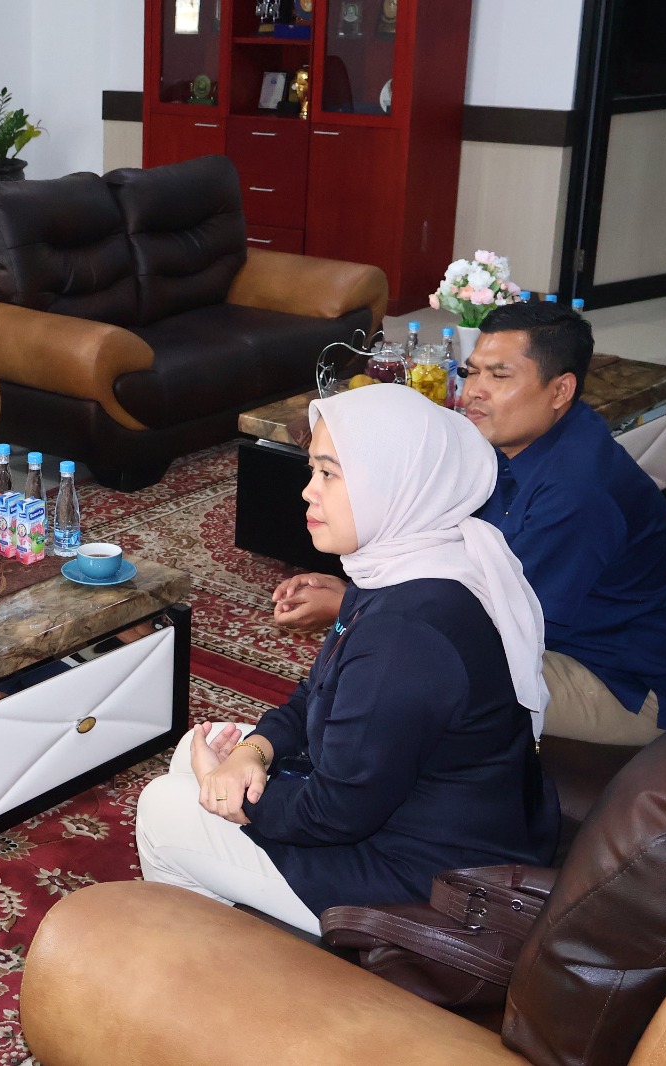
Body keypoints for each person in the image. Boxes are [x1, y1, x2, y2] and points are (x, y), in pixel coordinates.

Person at [137, 385, 560, 933]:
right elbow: (316, 692)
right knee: (197, 756)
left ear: (392, 482)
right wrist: (252, 750)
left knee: (164, 808)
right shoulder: (406, 560)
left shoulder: (406, 637)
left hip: (425, 880)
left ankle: (217, 962)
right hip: (408, 815)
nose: (308, 491)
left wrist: (239, 800)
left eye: (329, 474)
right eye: (313, 470)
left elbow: (334, 813)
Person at [273, 303, 666, 744]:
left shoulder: (579, 490)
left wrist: (355, 607)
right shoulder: (522, 442)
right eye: (472, 373)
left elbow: (498, 622)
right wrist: (365, 592)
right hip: (576, 639)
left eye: (499, 376)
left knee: (415, 660)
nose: (474, 391)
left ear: (560, 390)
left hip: (631, 685)